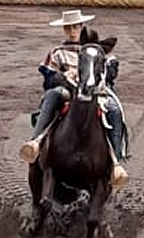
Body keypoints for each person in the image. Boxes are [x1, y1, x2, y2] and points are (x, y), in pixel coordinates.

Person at [19, 10, 129, 187]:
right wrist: (63, 77)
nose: (72, 31)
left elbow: (111, 73)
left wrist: (92, 76)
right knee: (52, 95)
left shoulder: (99, 51)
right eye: (68, 28)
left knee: (115, 110)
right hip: (68, 91)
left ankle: (115, 163)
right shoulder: (58, 52)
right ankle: (36, 142)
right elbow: (49, 78)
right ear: (64, 29)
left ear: (81, 27)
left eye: (75, 27)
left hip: (97, 92)